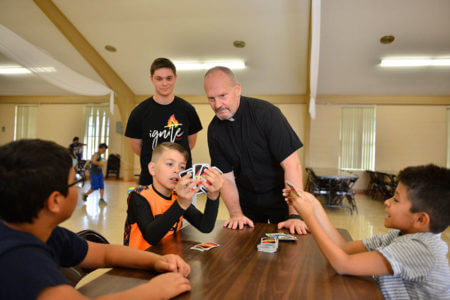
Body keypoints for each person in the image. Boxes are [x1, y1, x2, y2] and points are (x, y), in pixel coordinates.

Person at [0, 139, 191, 300]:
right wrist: (152, 292)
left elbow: (105, 253)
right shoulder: (18, 258)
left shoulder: (47, 233)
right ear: (55, 201)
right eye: (76, 181)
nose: (80, 186)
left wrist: (157, 261)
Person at [283, 164, 450, 299]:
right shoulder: (401, 234)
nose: (387, 202)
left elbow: (343, 264)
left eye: (396, 199)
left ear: (420, 220)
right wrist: (314, 204)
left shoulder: (420, 249)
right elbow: (344, 247)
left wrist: (308, 216)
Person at [204, 66, 308, 234]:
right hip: (247, 203)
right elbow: (226, 178)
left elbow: (292, 165)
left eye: (223, 96)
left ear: (237, 89)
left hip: (282, 200)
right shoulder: (215, 131)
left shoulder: (266, 114)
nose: (217, 105)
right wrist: (236, 214)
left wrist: (294, 216)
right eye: (211, 99)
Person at [124, 142, 223, 250]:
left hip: (167, 260)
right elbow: (151, 237)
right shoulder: (138, 197)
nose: (177, 170)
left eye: (182, 167)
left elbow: (205, 227)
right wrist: (180, 204)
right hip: (139, 262)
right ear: (152, 169)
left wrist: (213, 197)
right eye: (170, 164)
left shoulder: (177, 197)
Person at [125, 57, 203, 186]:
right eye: (159, 78)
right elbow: (137, 148)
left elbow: (190, 144)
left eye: (169, 78)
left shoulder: (187, 110)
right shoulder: (139, 112)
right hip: (149, 181)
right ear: (152, 79)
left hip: (182, 181)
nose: (164, 83)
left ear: (175, 78)